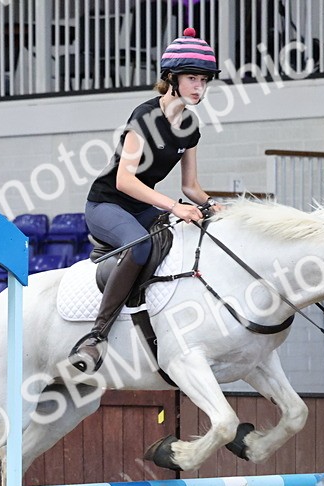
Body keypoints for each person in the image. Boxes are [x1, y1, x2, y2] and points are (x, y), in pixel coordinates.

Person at [70, 27, 224, 373]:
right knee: (140, 246)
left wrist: (213, 205)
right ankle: (96, 336)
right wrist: (173, 207)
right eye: (193, 79)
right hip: (107, 205)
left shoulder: (190, 125)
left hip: (141, 208)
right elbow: (124, 180)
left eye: (204, 80)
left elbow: (191, 187)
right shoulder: (145, 117)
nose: (200, 87)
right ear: (171, 78)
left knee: (181, 239)